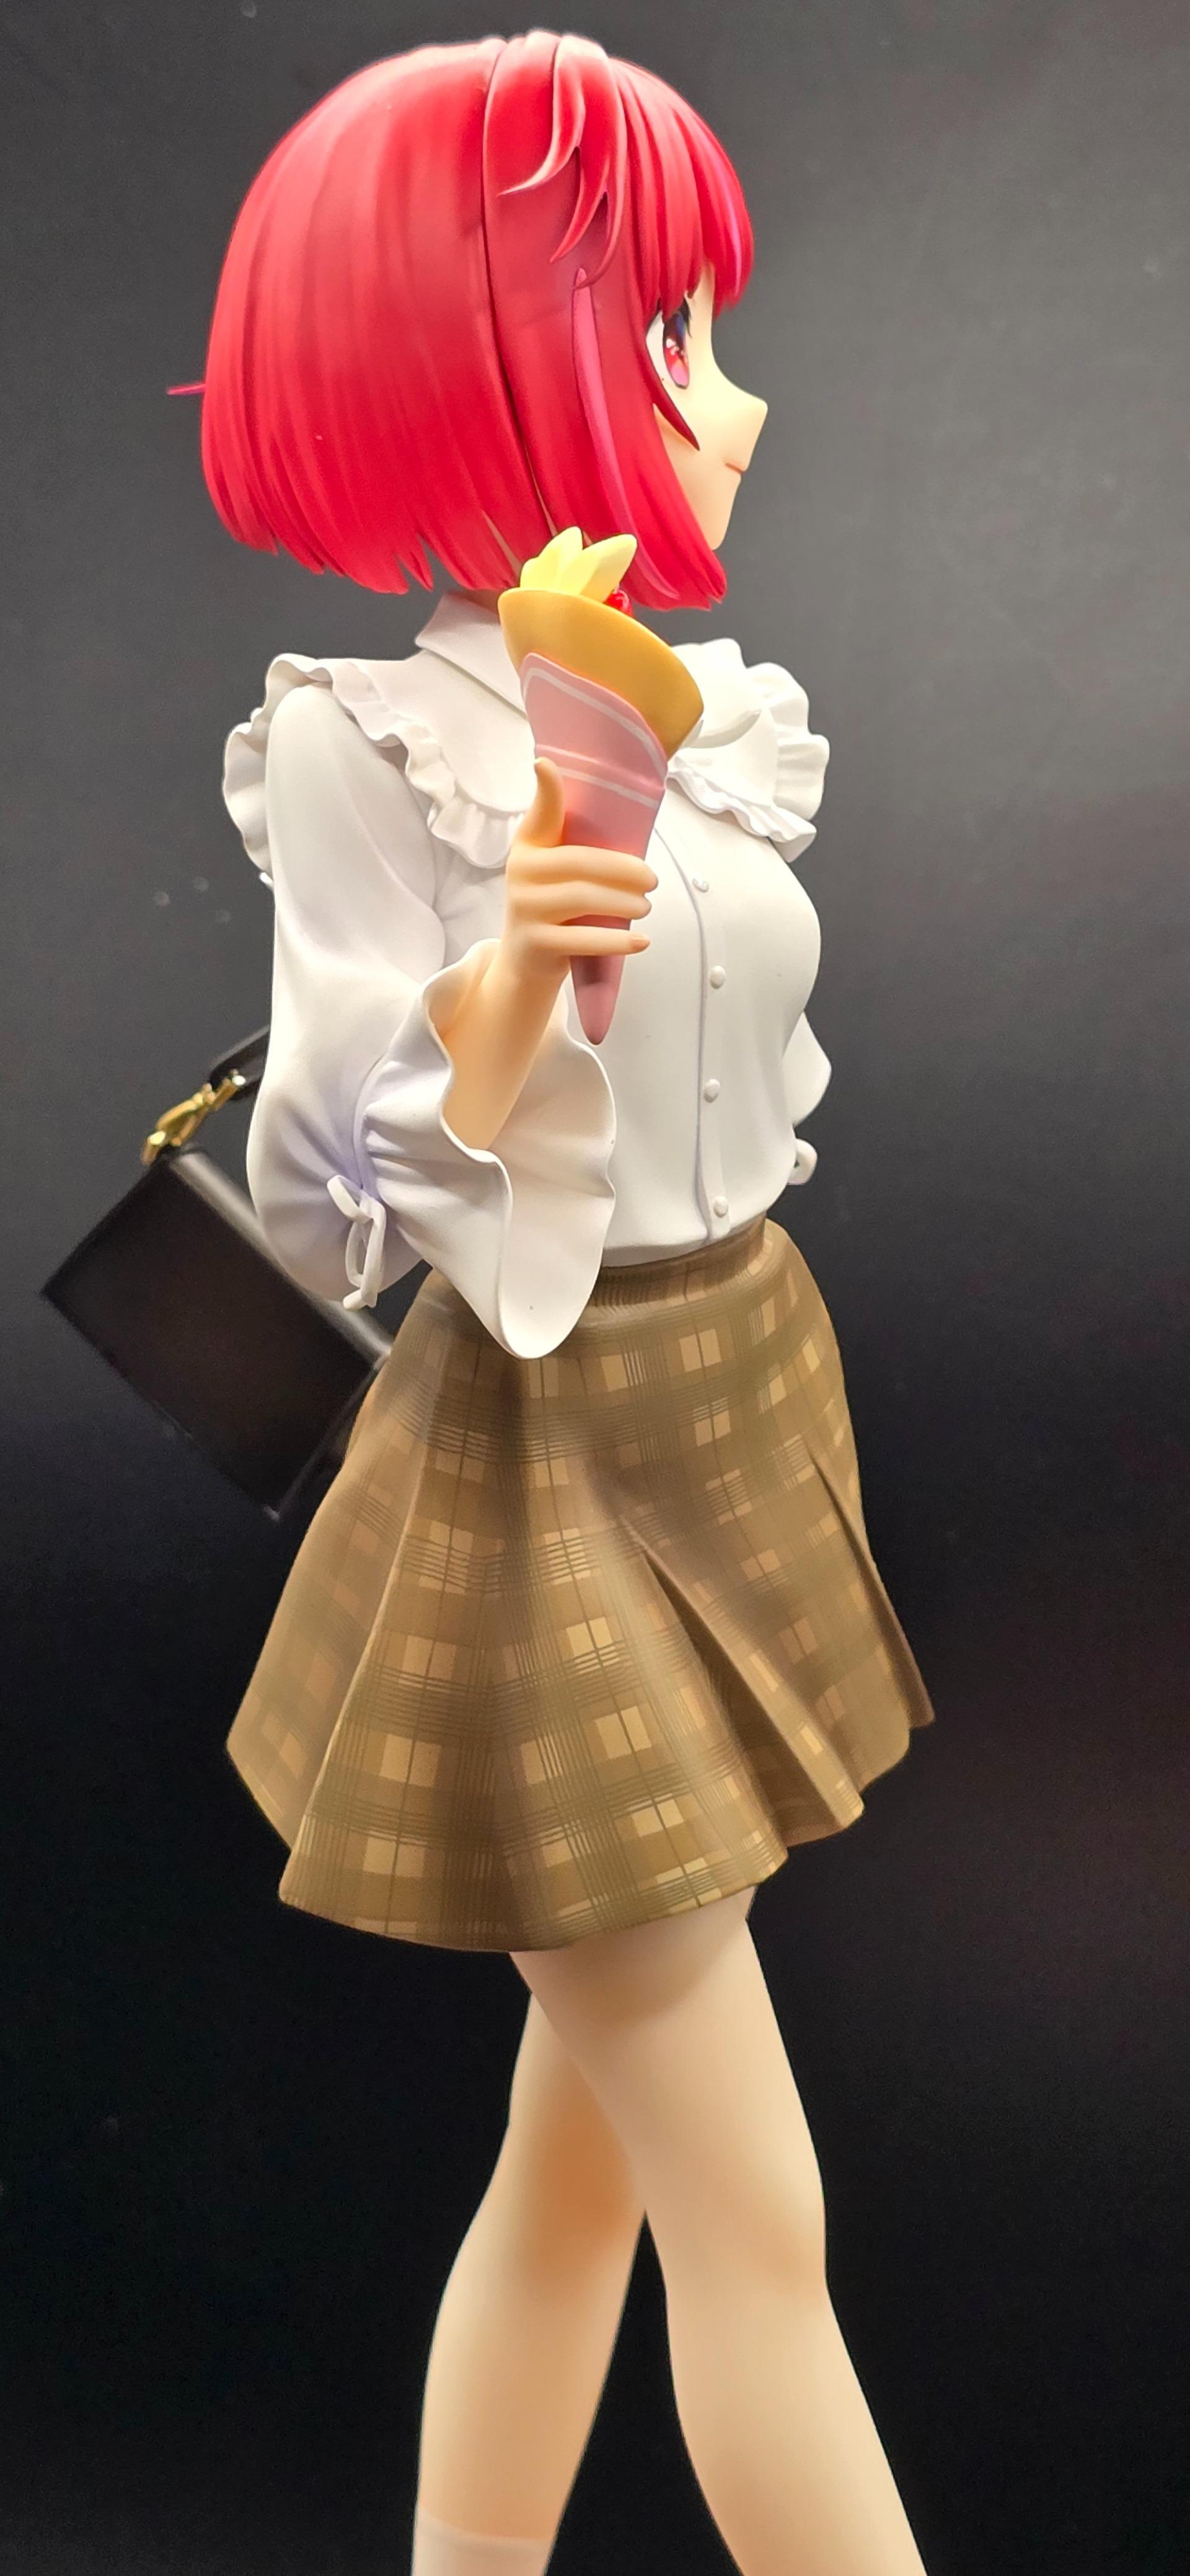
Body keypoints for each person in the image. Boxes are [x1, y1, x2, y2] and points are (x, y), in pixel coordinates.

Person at [198, 32, 936, 2575]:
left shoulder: (699, 722)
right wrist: (513, 964)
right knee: (757, 2215)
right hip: (539, 1446)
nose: (735, 398)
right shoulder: (364, 746)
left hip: (735, 1387)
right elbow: (331, 1175)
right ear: (491, 369)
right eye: (670, 340)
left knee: (583, 2163)